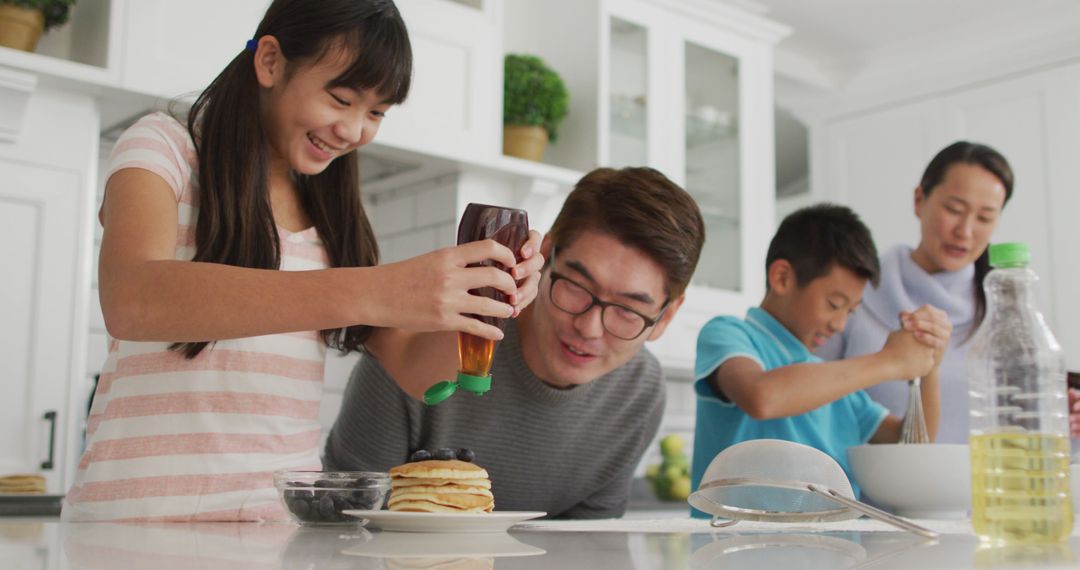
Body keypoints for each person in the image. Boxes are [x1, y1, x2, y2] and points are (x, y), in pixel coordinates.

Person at [63, 0, 544, 522]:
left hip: (280, 532)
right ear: (270, 62)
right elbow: (134, 300)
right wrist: (377, 289)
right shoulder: (163, 147)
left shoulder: (330, 217)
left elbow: (419, 375)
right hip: (135, 526)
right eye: (341, 99)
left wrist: (490, 302)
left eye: (377, 112)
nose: (354, 130)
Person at [324, 167, 706, 519]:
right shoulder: (419, 352)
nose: (590, 328)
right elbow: (341, 520)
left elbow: (588, 550)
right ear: (542, 255)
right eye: (576, 286)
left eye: (626, 310)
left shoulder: (638, 393)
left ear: (666, 317)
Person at [690, 204, 952, 515]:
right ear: (782, 277)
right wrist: (890, 361)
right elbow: (761, 397)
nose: (840, 324)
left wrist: (929, 366)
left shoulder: (833, 382)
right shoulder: (728, 334)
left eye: (850, 311)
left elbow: (911, 445)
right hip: (733, 552)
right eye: (834, 304)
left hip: (834, 553)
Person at [812, 142, 1071, 442]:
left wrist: (1070, 423)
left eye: (984, 217)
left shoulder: (1008, 311)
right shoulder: (855, 295)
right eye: (954, 209)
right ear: (919, 200)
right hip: (861, 488)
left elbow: (1031, 429)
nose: (965, 230)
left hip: (983, 487)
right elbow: (808, 400)